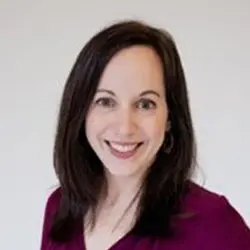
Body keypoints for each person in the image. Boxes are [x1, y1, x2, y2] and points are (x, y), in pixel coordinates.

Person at [40, 20, 250, 250]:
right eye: (106, 101)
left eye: (145, 104)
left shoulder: (213, 224)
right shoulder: (60, 208)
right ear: (80, 111)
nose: (125, 128)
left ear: (170, 116)